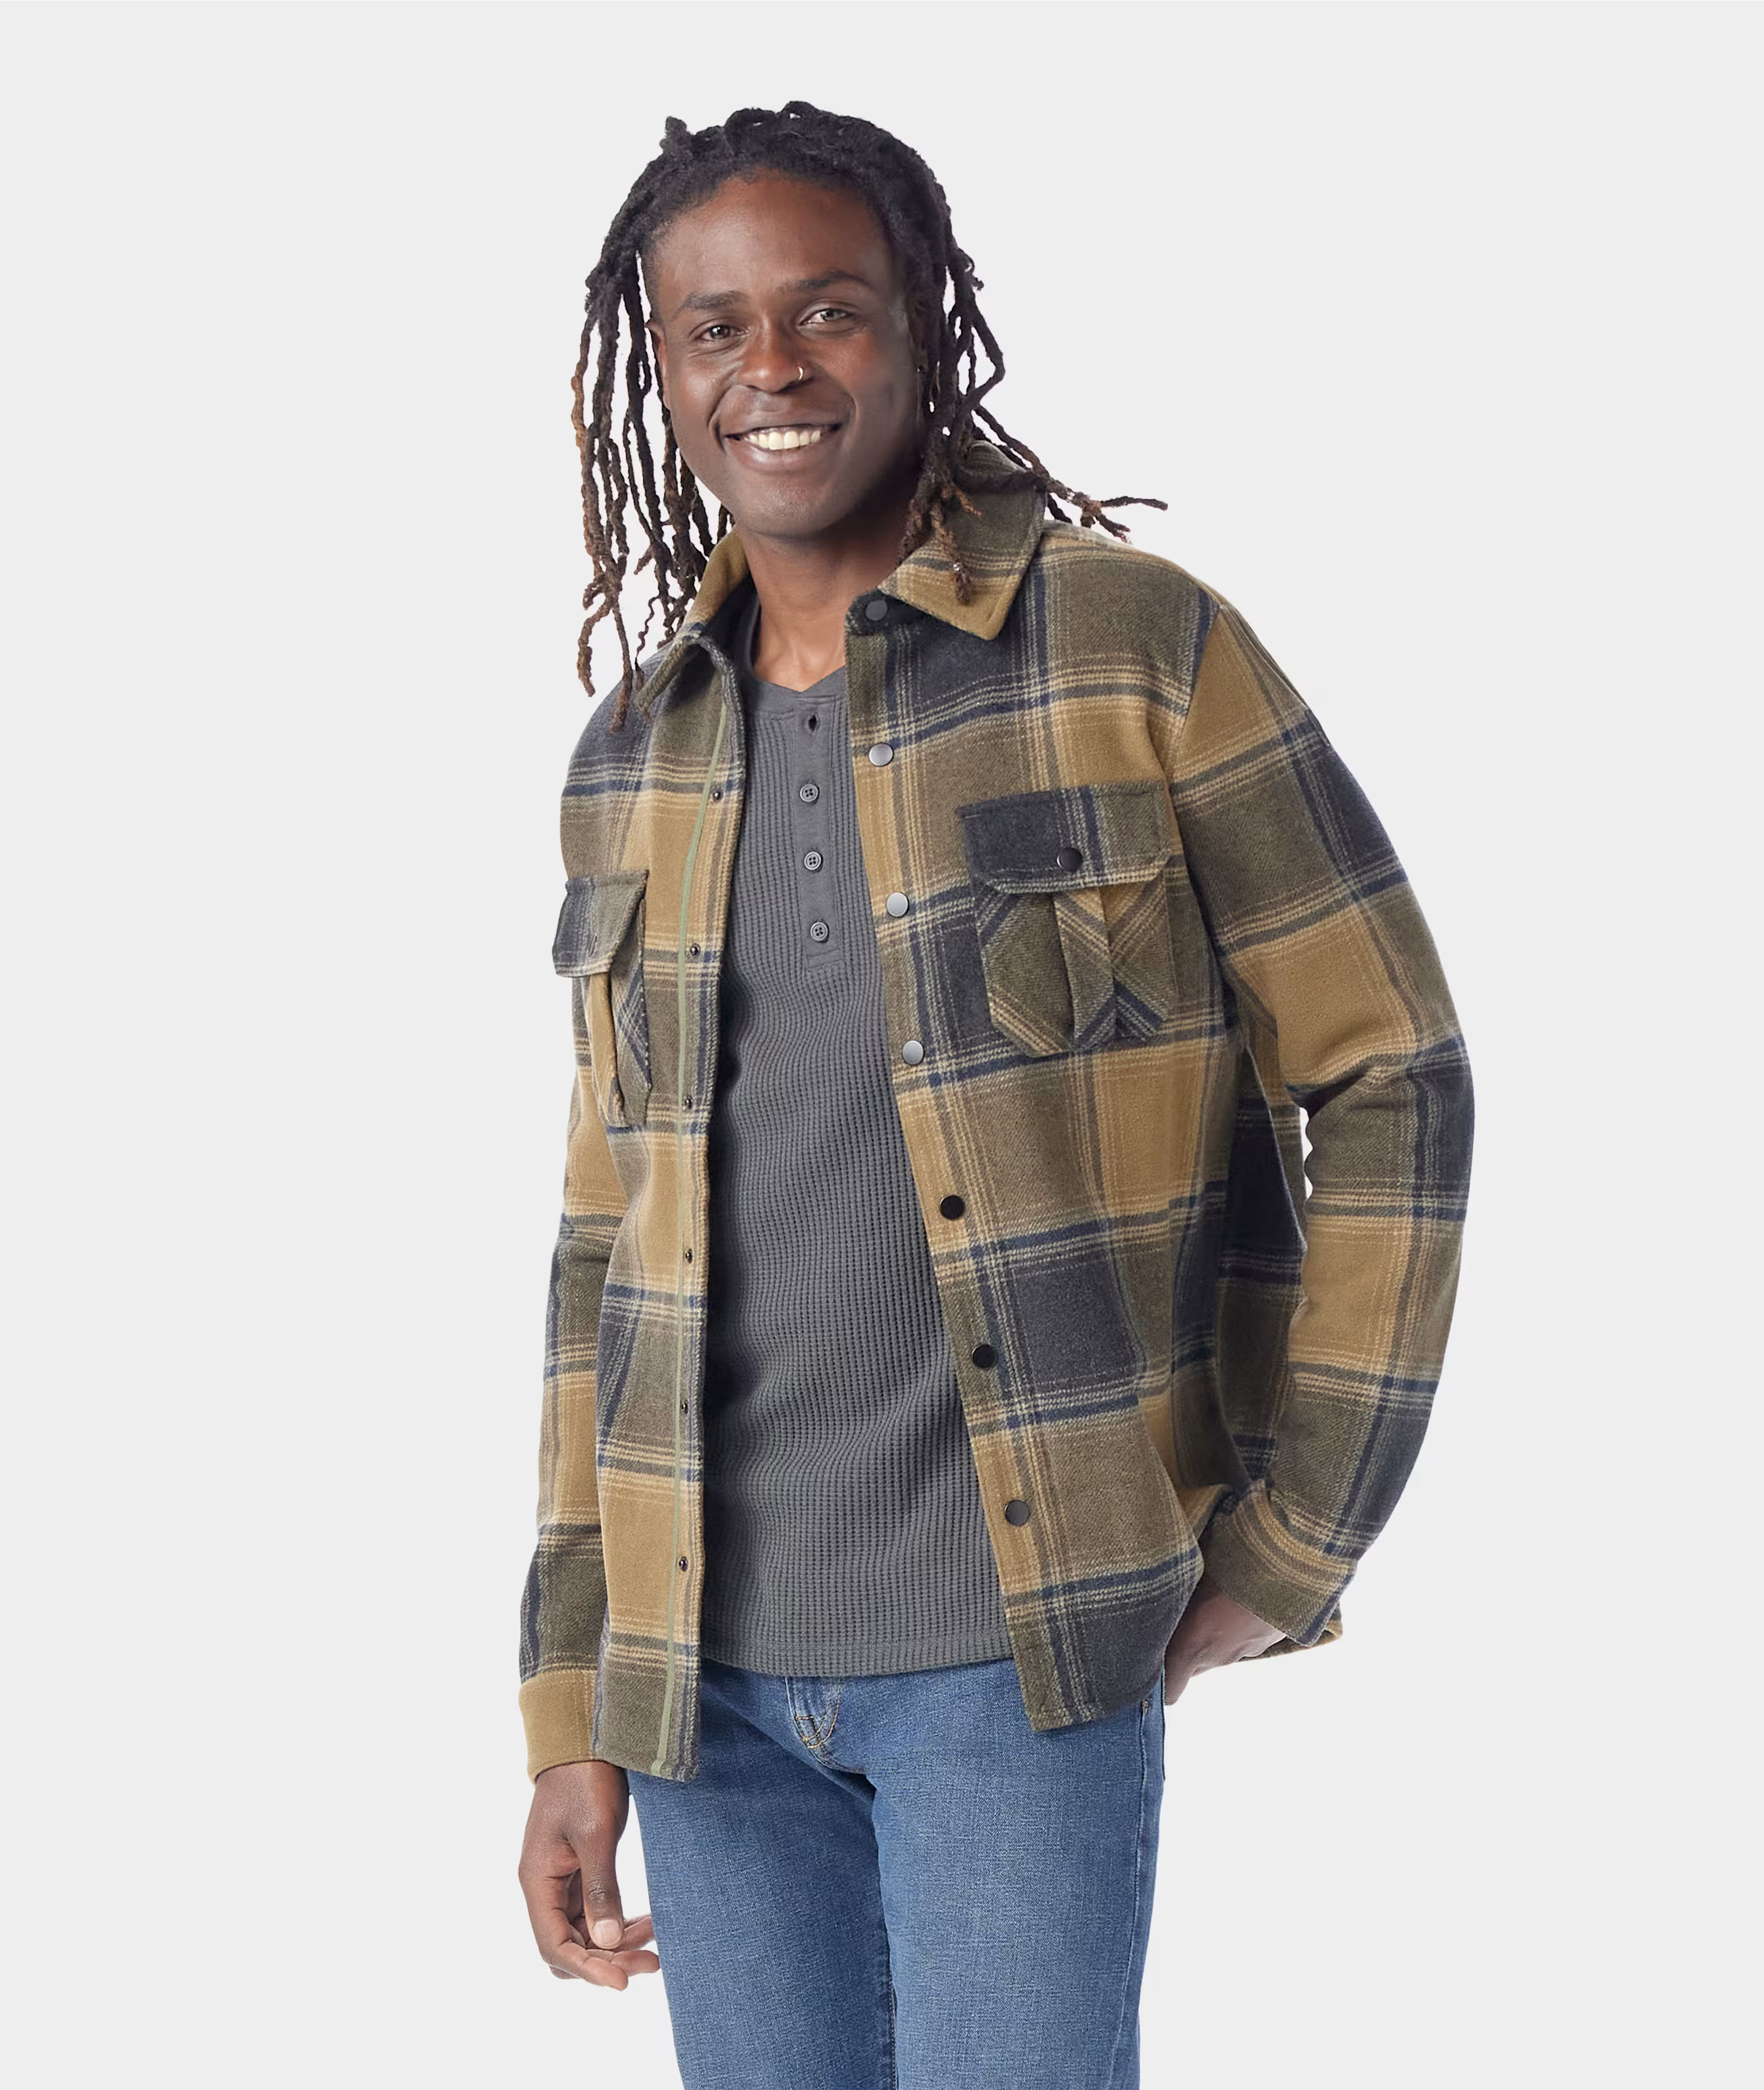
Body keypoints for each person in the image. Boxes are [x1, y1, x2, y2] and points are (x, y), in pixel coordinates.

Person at [517, 101, 1474, 2089]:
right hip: (702, 1692)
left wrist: (1296, 1538)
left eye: (828, 310)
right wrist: (572, 1700)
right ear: (659, 367)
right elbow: (607, 1247)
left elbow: (1393, 1070)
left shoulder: (1134, 649)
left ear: (922, 324)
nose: (772, 370)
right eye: (713, 329)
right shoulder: (634, 748)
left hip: (1011, 1663)